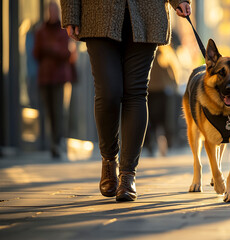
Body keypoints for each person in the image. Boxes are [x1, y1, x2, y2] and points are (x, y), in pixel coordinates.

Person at [60, 0, 191, 201]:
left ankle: (128, 174)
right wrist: (70, 13)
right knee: (109, 92)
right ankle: (109, 159)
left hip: (147, 11)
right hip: (98, 12)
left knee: (136, 92)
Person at [33, 2, 76, 160]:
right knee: (49, 112)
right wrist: (53, 49)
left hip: (60, 77)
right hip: (45, 77)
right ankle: (53, 142)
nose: (52, 13)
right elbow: (36, 53)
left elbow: (66, 53)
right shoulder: (40, 31)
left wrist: (50, 49)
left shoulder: (64, 31)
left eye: (54, 10)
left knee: (59, 112)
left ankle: (58, 143)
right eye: (49, 10)